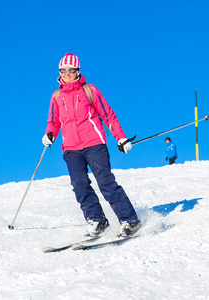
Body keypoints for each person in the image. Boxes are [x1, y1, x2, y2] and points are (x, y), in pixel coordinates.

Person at [42, 53, 140, 237]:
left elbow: (108, 114)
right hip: (71, 148)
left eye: (71, 70)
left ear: (77, 71)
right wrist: (49, 134)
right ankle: (97, 220)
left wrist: (120, 137)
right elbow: (53, 122)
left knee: (105, 182)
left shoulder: (89, 90)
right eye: (63, 71)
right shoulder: (56, 96)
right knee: (79, 184)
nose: (67, 74)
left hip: (94, 143)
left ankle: (130, 220)